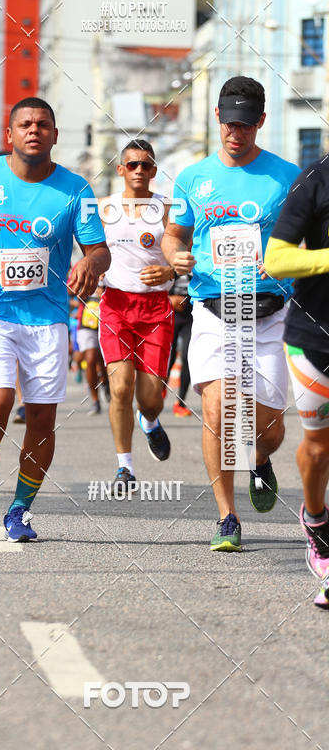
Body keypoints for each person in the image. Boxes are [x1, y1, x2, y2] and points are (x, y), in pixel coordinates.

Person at [0, 96, 110, 541]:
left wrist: (92, 264)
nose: (34, 130)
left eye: (43, 124)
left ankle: (20, 510)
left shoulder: (75, 189)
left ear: (54, 134)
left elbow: (99, 249)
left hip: (47, 316)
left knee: (42, 420)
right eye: (25, 124)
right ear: (9, 134)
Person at [162, 76, 300, 552]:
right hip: (214, 310)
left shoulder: (287, 177)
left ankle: (259, 461)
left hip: (270, 312)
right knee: (218, 410)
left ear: (261, 122)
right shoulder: (192, 177)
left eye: (246, 124)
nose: (235, 132)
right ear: (217, 117)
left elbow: (309, 238)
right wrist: (175, 256)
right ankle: (227, 516)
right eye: (229, 122)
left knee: (267, 426)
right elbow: (174, 235)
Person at [264, 158, 329, 579]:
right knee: (320, 448)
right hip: (315, 336)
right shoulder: (315, 179)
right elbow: (277, 259)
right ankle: (317, 519)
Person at [98, 140, 175, 488]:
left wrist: (172, 273)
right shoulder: (104, 209)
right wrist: (89, 269)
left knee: (150, 400)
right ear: (121, 170)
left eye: (146, 165)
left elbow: (184, 253)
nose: (139, 171)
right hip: (115, 306)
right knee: (120, 387)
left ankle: (151, 423)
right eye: (132, 165)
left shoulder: (167, 209)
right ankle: (124, 467)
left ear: (154, 171)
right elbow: (91, 250)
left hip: (156, 308)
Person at [76, 284, 108, 415]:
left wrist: (105, 293)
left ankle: (105, 381)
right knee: (90, 358)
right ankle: (95, 401)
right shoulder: (84, 267)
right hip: (87, 324)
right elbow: (72, 292)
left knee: (103, 360)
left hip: (108, 322)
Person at [166, 272, 193, 417]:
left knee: (188, 356)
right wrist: (169, 298)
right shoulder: (170, 253)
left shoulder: (200, 254)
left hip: (191, 314)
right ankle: (161, 387)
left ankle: (181, 403)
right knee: (168, 355)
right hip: (171, 313)